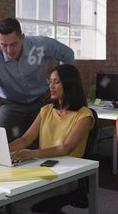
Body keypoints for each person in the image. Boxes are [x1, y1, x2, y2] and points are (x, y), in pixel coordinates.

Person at [8, 64, 95, 214]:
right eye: (50, 82)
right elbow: (25, 139)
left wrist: (32, 153)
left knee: (17, 206)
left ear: (69, 85)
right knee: (6, 199)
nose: (51, 86)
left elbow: (65, 148)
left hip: (67, 176)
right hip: (42, 169)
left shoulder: (84, 115)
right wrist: (1, 148)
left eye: (56, 82)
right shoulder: (46, 110)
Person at [0, 17, 74, 142]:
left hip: (42, 101)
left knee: (50, 142)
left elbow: (68, 55)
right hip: (11, 105)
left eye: (13, 44)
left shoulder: (41, 45)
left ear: (22, 37)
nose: (9, 50)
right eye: (4, 45)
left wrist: (57, 85)